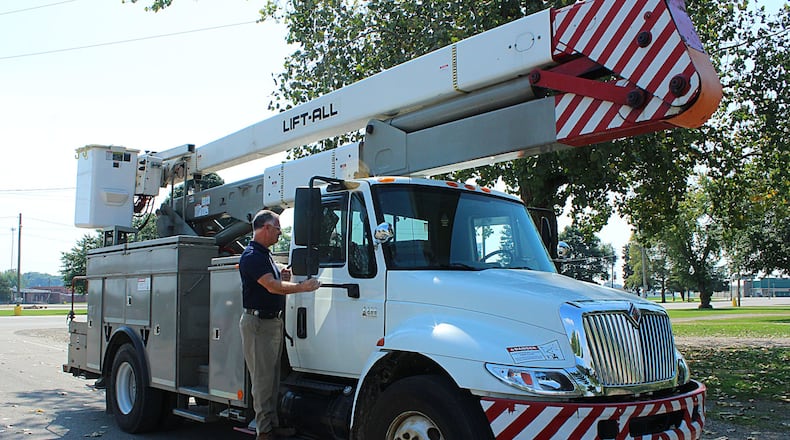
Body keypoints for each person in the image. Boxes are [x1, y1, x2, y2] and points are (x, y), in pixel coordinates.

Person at [239, 210, 320, 440]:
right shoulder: (252, 255)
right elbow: (272, 286)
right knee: (263, 382)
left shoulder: (265, 256)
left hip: (270, 323)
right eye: (277, 229)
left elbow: (274, 280)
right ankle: (264, 432)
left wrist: (282, 275)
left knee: (272, 379)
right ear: (265, 228)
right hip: (258, 325)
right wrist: (302, 287)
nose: (279, 233)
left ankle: (271, 425)